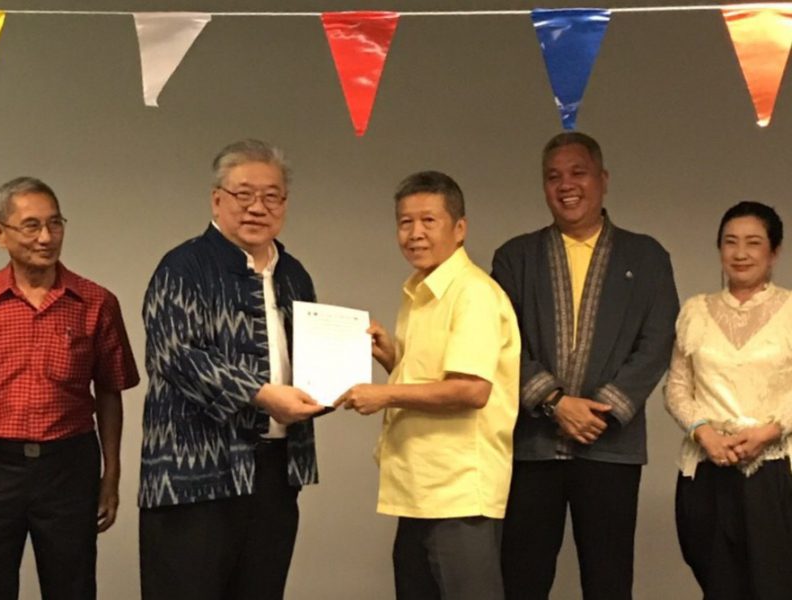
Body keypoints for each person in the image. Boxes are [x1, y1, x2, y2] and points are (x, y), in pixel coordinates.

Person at [492, 132, 679, 600]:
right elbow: (501, 342)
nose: (566, 185)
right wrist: (554, 402)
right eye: (553, 176)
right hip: (533, 445)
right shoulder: (515, 258)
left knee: (609, 579)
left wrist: (598, 410)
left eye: (578, 172)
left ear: (603, 180)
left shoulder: (647, 257)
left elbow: (657, 342)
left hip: (610, 445)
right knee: (522, 578)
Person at [138, 139, 324, 600]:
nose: (257, 207)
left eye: (271, 196)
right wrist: (262, 395)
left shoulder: (294, 274)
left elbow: (315, 359)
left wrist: (347, 369)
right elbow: (179, 355)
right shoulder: (183, 267)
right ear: (217, 199)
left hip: (275, 472)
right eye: (244, 194)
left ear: (285, 203)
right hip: (194, 475)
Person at [336, 171, 520, 600]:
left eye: (428, 221)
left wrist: (384, 395)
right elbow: (437, 378)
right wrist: (391, 359)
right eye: (405, 222)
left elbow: (471, 390)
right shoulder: (421, 291)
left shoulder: (472, 293)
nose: (414, 233)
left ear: (460, 229)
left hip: (457, 492)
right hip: (420, 488)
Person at [0, 176, 139, 600]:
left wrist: (110, 475)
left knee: (72, 587)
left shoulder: (96, 302)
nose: (45, 237)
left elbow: (111, 391)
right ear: (0, 234)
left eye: (55, 224)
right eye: (31, 225)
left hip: (69, 466)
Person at [665, 201, 792, 599]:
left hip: (775, 470)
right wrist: (704, 434)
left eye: (753, 243)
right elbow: (677, 387)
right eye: (730, 242)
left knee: (776, 584)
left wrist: (768, 432)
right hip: (708, 467)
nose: (740, 253)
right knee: (718, 585)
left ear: (774, 252)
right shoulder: (695, 311)